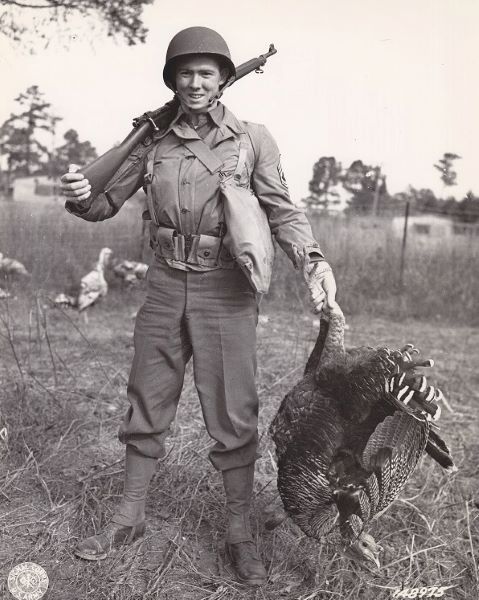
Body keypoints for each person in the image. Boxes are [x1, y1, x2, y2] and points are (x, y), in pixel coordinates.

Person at [60, 26, 337, 587]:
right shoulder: (152, 142)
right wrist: (81, 194)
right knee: (147, 397)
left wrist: (313, 261)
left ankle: (239, 533)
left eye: (207, 72)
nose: (196, 82)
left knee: (234, 412)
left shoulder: (252, 139)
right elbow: (106, 202)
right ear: (173, 80)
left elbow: (283, 212)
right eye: (185, 73)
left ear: (222, 78)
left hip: (226, 290)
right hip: (163, 283)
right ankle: (128, 517)